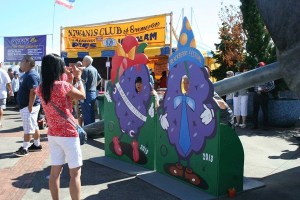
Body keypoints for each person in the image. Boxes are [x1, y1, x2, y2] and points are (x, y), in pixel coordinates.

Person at [36, 54, 85, 200]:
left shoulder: (41, 88)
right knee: (75, 174)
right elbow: (82, 96)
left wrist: (69, 77)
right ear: (58, 68)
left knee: (54, 173)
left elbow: (62, 91)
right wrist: (79, 78)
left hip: (53, 134)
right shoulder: (63, 86)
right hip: (69, 135)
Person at [15, 55, 42, 156]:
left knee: (28, 127)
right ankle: (37, 145)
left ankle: (25, 148)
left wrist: (30, 106)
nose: (20, 63)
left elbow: (33, 91)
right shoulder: (27, 74)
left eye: (22, 61)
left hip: (29, 106)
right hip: (27, 106)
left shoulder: (32, 75)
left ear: (27, 62)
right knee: (33, 126)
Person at [252, 61, 275, 130]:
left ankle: (266, 126)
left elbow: (273, 85)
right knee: (255, 111)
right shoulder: (255, 75)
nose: (259, 68)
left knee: (265, 110)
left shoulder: (268, 75)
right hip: (256, 94)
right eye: (258, 67)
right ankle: (255, 125)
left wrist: (266, 88)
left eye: (261, 67)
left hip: (264, 94)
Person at [80, 55, 101, 125]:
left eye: (83, 61)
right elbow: (99, 79)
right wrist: (94, 85)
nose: (82, 62)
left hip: (86, 93)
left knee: (86, 113)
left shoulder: (86, 70)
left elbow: (83, 82)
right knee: (92, 112)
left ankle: (87, 130)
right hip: (93, 93)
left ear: (86, 61)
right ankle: (92, 128)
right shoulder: (95, 69)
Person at [233, 64, 249, 128]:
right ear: (242, 69)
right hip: (236, 94)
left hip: (244, 93)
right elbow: (238, 77)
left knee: (244, 108)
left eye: (247, 69)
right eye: (245, 69)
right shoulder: (237, 73)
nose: (246, 70)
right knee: (236, 108)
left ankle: (243, 123)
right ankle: (237, 122)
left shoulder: (248, 75)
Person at [0, 62, 13, 127]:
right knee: (0, 108)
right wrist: (10, 90)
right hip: (1, 94)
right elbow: (8, 82)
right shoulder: (3, 72)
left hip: (2, 94)